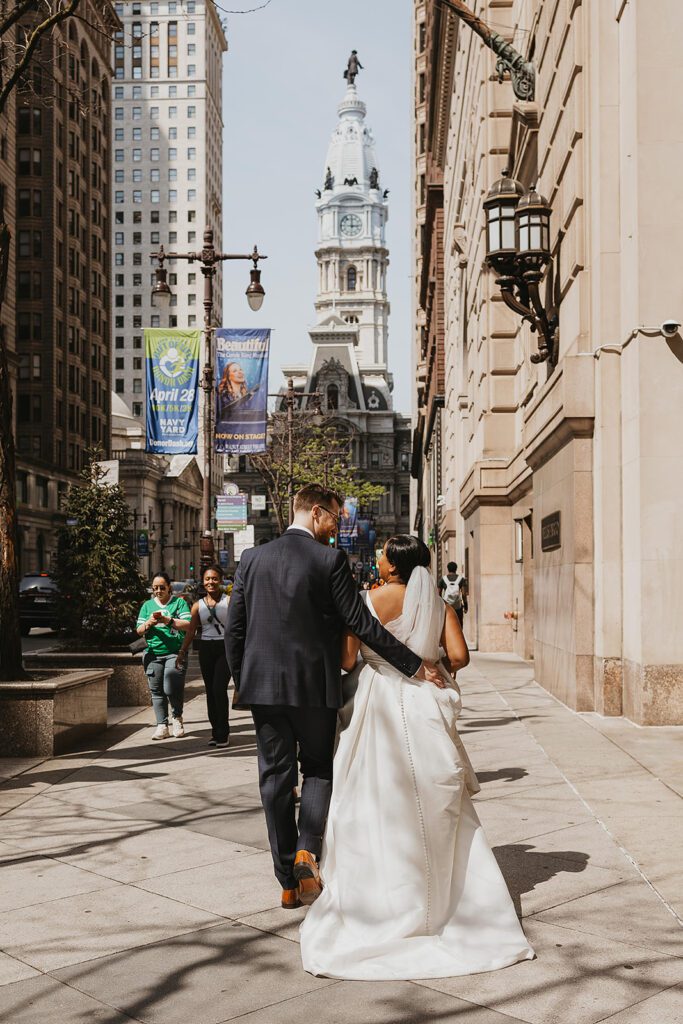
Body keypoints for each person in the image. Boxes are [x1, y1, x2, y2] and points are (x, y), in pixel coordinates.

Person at [300, 536, 534, 980]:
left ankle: (380, 897)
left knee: (370, 799)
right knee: (436, 802)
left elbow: (349, 660)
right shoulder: (436, 603)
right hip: (424, 703)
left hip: (376, 703)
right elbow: (460, 656)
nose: (376, 557)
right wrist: (431, 661)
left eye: (382, 553)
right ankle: (444, 902)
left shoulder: (365, 601)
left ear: (393, 566)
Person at [225, 483, 442, 911]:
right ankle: (309, 851)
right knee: (319, 770)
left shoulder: (251, 559)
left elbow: (235, 629)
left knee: (274, 779)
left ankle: (287, 881)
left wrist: (243, 680)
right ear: (318, 513)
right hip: (314, 689)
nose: (337, 527)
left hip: (264, 688)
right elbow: (363, 624)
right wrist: (415, 665)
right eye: (336, 518)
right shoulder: (329, 560)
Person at [176, 564, 230, 748]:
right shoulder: (198, 605)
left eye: (214, 578)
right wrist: (182, 652)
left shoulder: (229, 601)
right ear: (202, 581)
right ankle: (215, 732)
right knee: (210, 691)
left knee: (218, 689)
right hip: (206, 648)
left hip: (224, 647)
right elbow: (191, 631)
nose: (211, 582)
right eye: (207, 579)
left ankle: (224, 733)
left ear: (221, 580)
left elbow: (238, 627)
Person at [136, 572, 192, 740]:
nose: (158, 591)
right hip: (153, 654)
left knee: (172, 686)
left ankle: (177, 718)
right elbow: (139, 630)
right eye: (155, 588)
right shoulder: (147, 606)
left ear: (169, 588)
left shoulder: (179, 603)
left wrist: (168, 620)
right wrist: (149, 623)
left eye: (162, 587)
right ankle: (162, 725)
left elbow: (188, 625)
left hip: (175, 653)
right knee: (157, 690)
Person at [438, 560, 468, 627]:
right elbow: (463, 594)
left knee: (447, 624)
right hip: (458, 607)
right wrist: (465, 605)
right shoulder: (461, 579)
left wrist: (440, 606)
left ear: (448, 569)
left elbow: (438, 594)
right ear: (456, 569)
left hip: (447, 606)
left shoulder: (443, 579)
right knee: (459, 625)